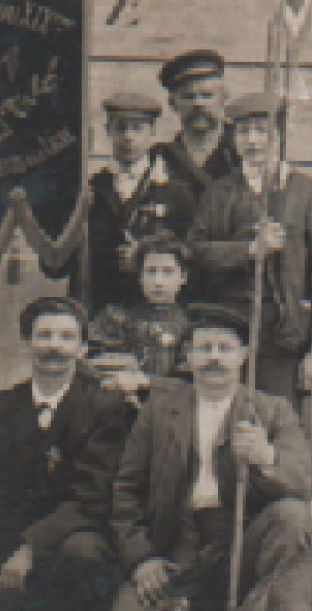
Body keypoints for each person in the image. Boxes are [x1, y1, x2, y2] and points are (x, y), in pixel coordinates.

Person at [102, 304, 312, 611]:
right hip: (176, 557)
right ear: (188, 356)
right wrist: (142, 559)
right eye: (204, 348)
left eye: (225, 348)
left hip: (244, 552)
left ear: (243, 355)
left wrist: (266, 456)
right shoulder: (158, 412)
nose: (214, 358)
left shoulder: (272, 410)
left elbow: (304, 484)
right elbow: (126, 491)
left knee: (293, 515)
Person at [0, 298, 134, 611]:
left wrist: (29, 548)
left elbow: (92, 497)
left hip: (72, 537)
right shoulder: (2, 405)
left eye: (67, 337)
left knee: (80, 568)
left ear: (83, 348)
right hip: (4, 539)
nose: (54, 346)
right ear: (27, 345)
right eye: (44, 335)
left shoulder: (105, 408)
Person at [187, 92, 312, 404]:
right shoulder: (219, 191)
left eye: (263, 131)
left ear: (279, 136)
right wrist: (248, 250)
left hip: (285, 334)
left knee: (279, 425)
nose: (253, 140)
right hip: (229, 330)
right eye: (244, 131)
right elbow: (195, 250)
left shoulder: (306, 191)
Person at [40, 93, 196, 314]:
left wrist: (144, 255)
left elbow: (190, 254)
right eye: (120, 128)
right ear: (108, 131)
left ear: (152, 132)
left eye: (137, 128)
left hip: (152, 310)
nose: (128, 137)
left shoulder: (175, 192)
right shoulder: (88, 190)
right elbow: (55, 266)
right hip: (95, 307)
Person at [87, 235, 194, 402]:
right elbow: (95, 367)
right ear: (140, 277)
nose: (158, 282)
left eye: (168, 272)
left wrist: (144, 382)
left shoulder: (190, 326)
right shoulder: (118, 318)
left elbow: (188, 382)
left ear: (183, 277)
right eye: (151, 271)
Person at [154, 50, 240, 201]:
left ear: (224, 97)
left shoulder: (243, 152)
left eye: (207, 95)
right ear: (172, 103)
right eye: (188, 97)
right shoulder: (160, 159)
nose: (198, 103)